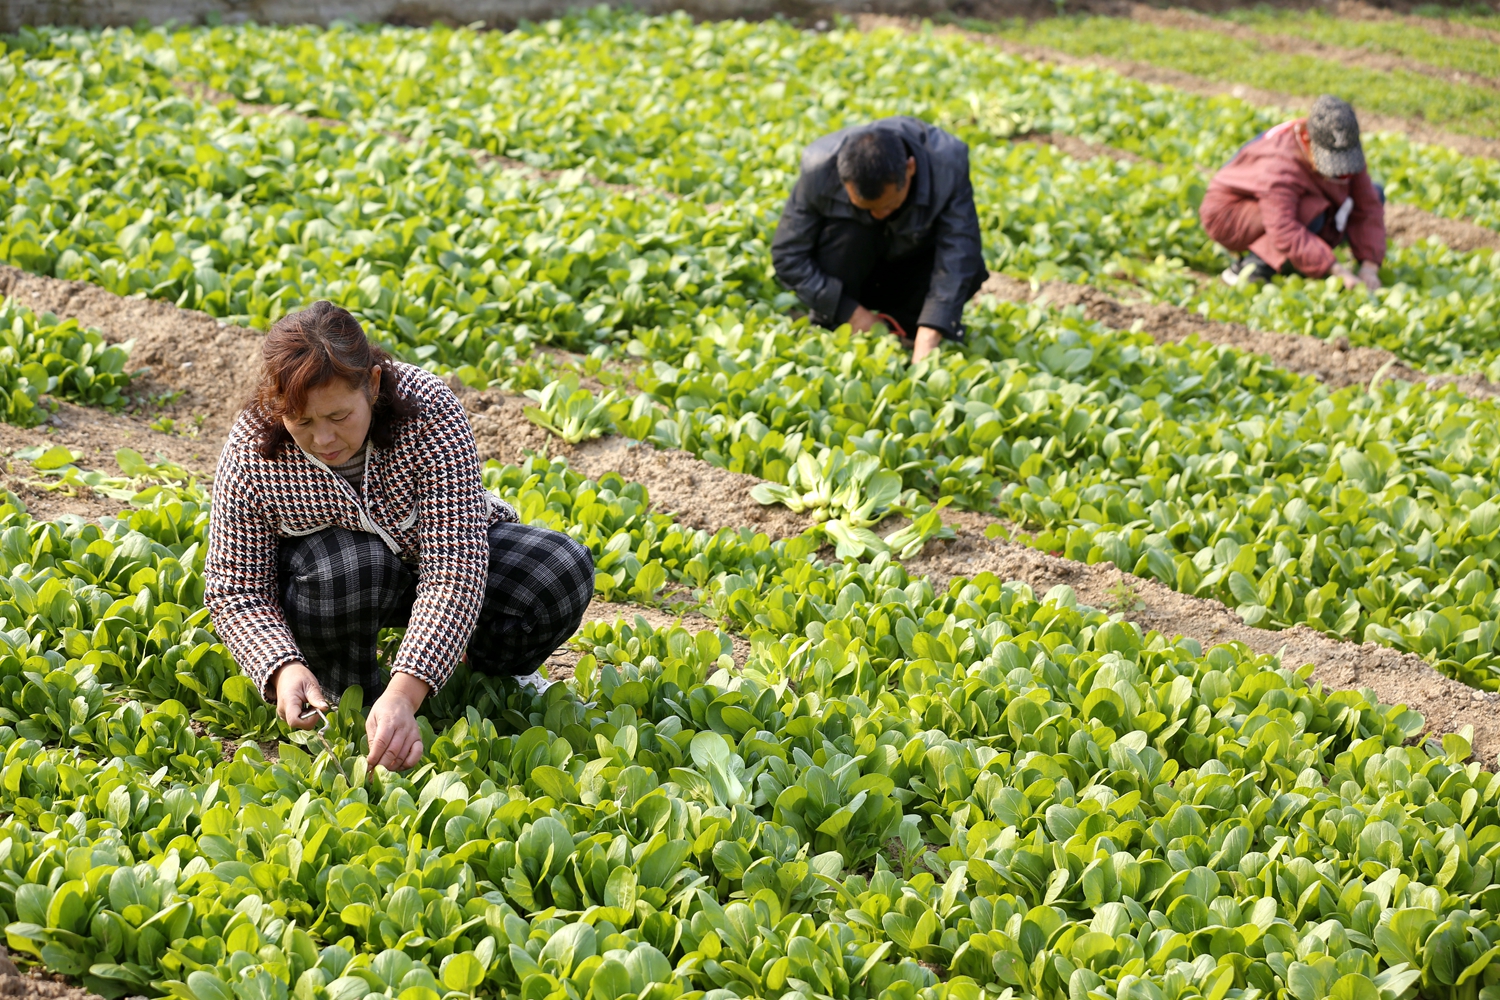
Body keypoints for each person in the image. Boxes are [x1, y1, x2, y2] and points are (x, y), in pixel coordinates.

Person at [205, 302, 594, 772]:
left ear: (372, 384)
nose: (324, 439)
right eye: (303, 422)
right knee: (352, 566)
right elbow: (235, 588)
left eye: (339, 416)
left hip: (430, 561)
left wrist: (406, 691)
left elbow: (454, 567)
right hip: (338, 584)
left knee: (557, 571)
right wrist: (280, 665)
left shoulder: (428, 409)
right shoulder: (253, 449)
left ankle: (472, 675)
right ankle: (343, 695)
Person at [771, 116, 987, 364]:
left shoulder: (947, 165)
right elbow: (788, 256)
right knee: (847, 231)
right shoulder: (820, 169)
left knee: (970, 267)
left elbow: (959, 252)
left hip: (910, 271)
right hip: (852, 276)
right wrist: (849, 312)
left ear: (910, 168)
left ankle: (907, 329)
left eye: (888, 205)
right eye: (865, 207)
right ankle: (835, 325)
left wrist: (929, 334)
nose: (878, 215)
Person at [1200, 95, 1385, 292]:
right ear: (1306, 139)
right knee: (1311, 210)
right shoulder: (1280, 162)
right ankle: (1250, 268)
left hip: (1280, 208)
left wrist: (1369, 267)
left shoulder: (1345, 147)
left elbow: (1368, 205)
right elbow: (1283, 227)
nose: (1339, 171)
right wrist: (1336, 270)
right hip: (1229, 214)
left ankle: (1301, 258)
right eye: (1330, 161)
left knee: (1375, 193)